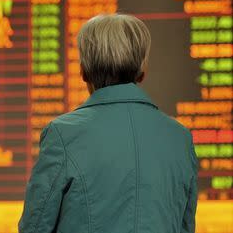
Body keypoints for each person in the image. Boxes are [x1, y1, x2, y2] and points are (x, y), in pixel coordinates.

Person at [18, 14, 199, 233]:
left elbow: (35, 227)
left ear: (83, 72)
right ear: (142, 72)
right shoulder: (180, 138)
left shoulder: (62, 135)